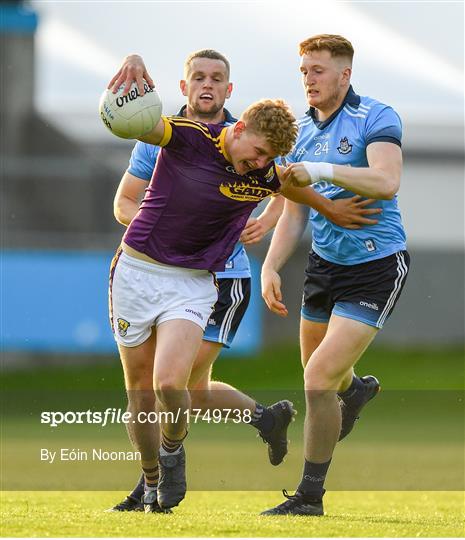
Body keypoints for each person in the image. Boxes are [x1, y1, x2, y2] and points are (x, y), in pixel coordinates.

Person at [108, 49, 382, 515]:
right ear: (236, 131)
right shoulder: (189, 135)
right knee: (140, 389)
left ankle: (172, 455)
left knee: (174, 384)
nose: (258, 164)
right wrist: (133, 72)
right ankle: (150, 482)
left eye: (267, 159)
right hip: (135, 274)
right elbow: (140, 125)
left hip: (195, 282)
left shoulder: (263, 167)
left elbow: (288, 184)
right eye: (255, 153)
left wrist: (331, 208)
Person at [260, 34, 410, 516]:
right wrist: (270, 264)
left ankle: (309, 497)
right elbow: (293, 213)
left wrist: (320, 170)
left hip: (376, 265)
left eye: (318, 70)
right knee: (321, 379)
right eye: (303, 70)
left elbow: (386, 180)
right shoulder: (299, 131)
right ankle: (357, 390)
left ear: (345, 74)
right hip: (325, 266)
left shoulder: (376, 117)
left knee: (318, 378)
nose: (308, 79)